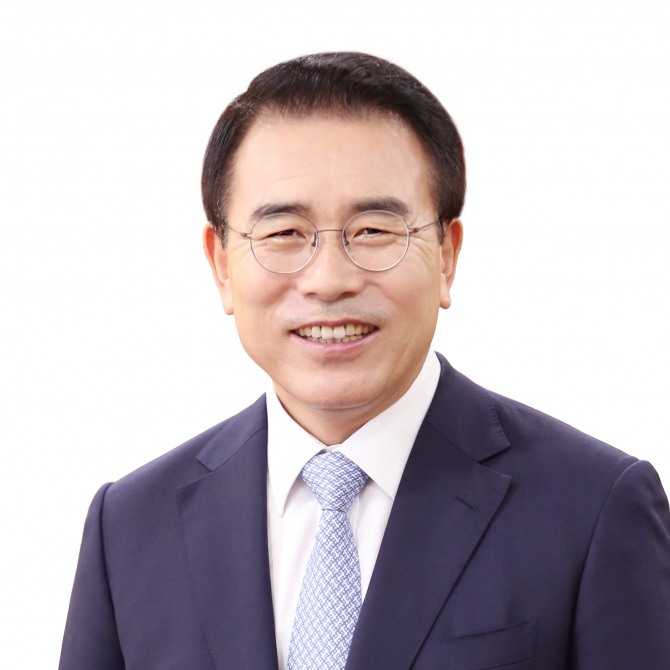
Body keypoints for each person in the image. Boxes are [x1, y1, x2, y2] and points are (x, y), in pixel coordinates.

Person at [59, 52, 670, 670]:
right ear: (221, 264)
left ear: (446, 255)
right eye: (284, 233)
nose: (329, 280)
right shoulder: (129, 528)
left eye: (374, 230)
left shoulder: (594, 508)